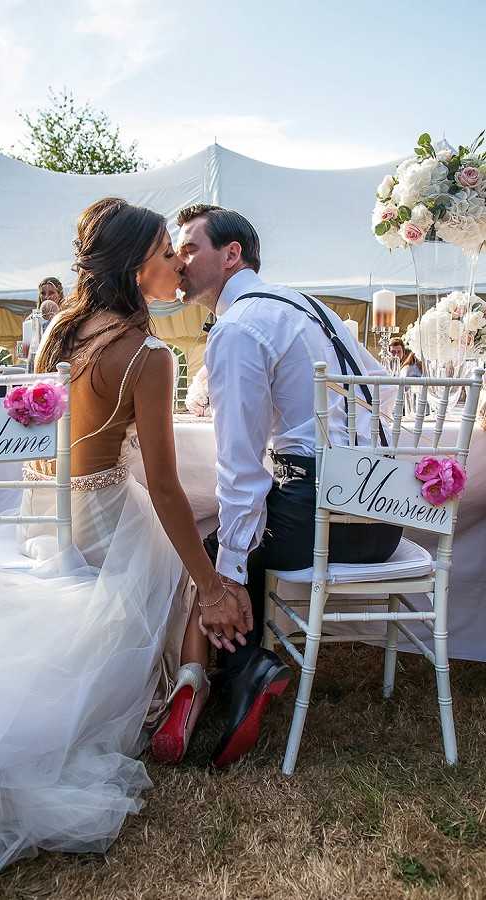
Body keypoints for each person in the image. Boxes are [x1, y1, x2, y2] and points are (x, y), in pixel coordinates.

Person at [0, 198, 251, 899]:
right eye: (167, 254)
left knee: (173, 553)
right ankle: (188, 685)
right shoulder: (148, 357)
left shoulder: (59, 329)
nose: (178, 263)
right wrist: (211, 584)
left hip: (41, 513)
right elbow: (168, 488)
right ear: (139, 265)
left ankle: (182, 685)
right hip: (105, 515)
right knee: (183, 549)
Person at [176, 204, 403, 768]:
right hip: (385, 517)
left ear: (232, 255)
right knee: (240, 540)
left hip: (323, 522)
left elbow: (240, 469)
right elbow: (384, 388)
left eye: (188, 249)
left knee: (217, 553)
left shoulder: (238, 326)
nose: (177, 264)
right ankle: (246, 674)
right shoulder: (306, 304)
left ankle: (244, 674)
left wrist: (224, 573)